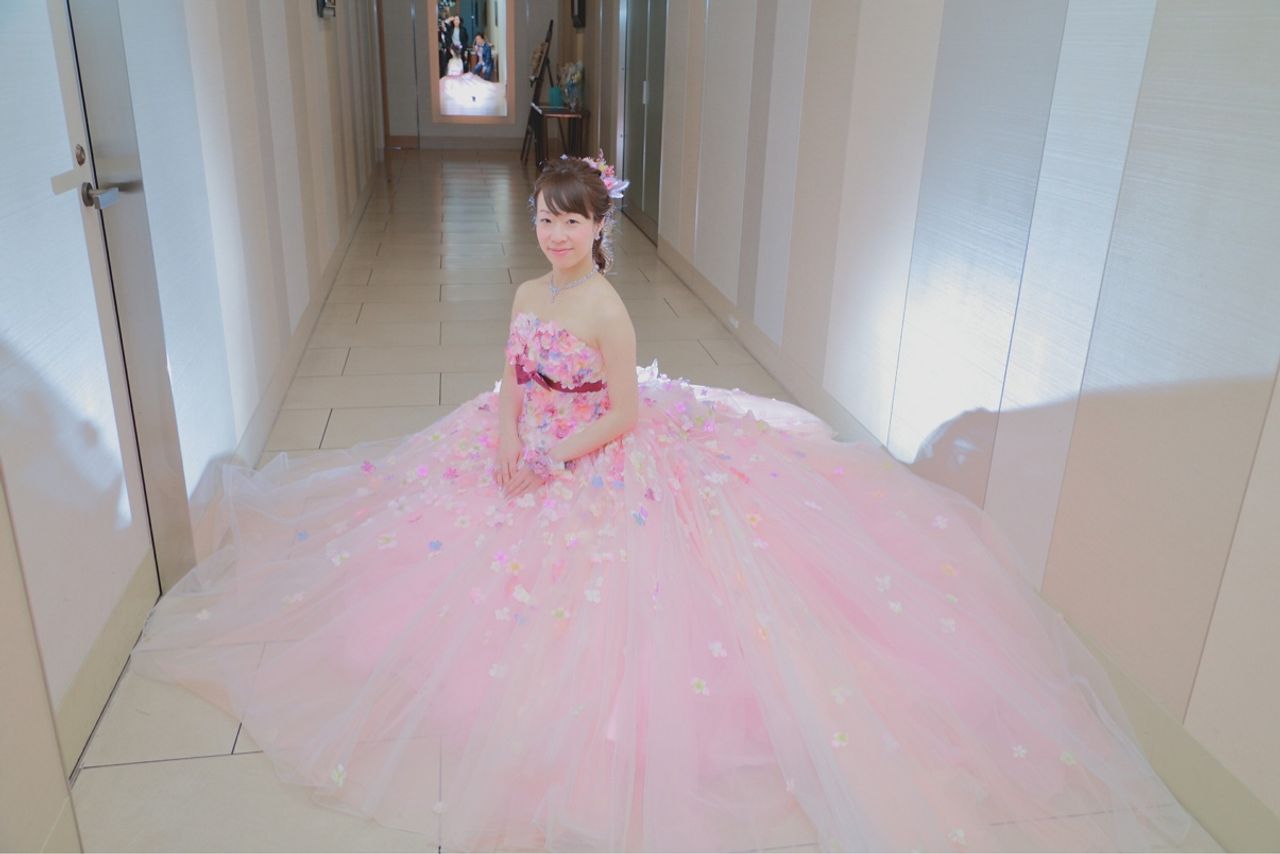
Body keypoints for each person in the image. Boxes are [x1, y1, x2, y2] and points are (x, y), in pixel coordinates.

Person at [128, 154, 1202, 851]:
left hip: (598, 443)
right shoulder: (526, 292)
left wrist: (552, 458)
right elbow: (511, 371)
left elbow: (627, 415)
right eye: (544, 218)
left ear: (599, 227)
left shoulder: (605, 309)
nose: (555, 235)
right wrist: (502, 435)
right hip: (531, 429)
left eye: (572, 221)